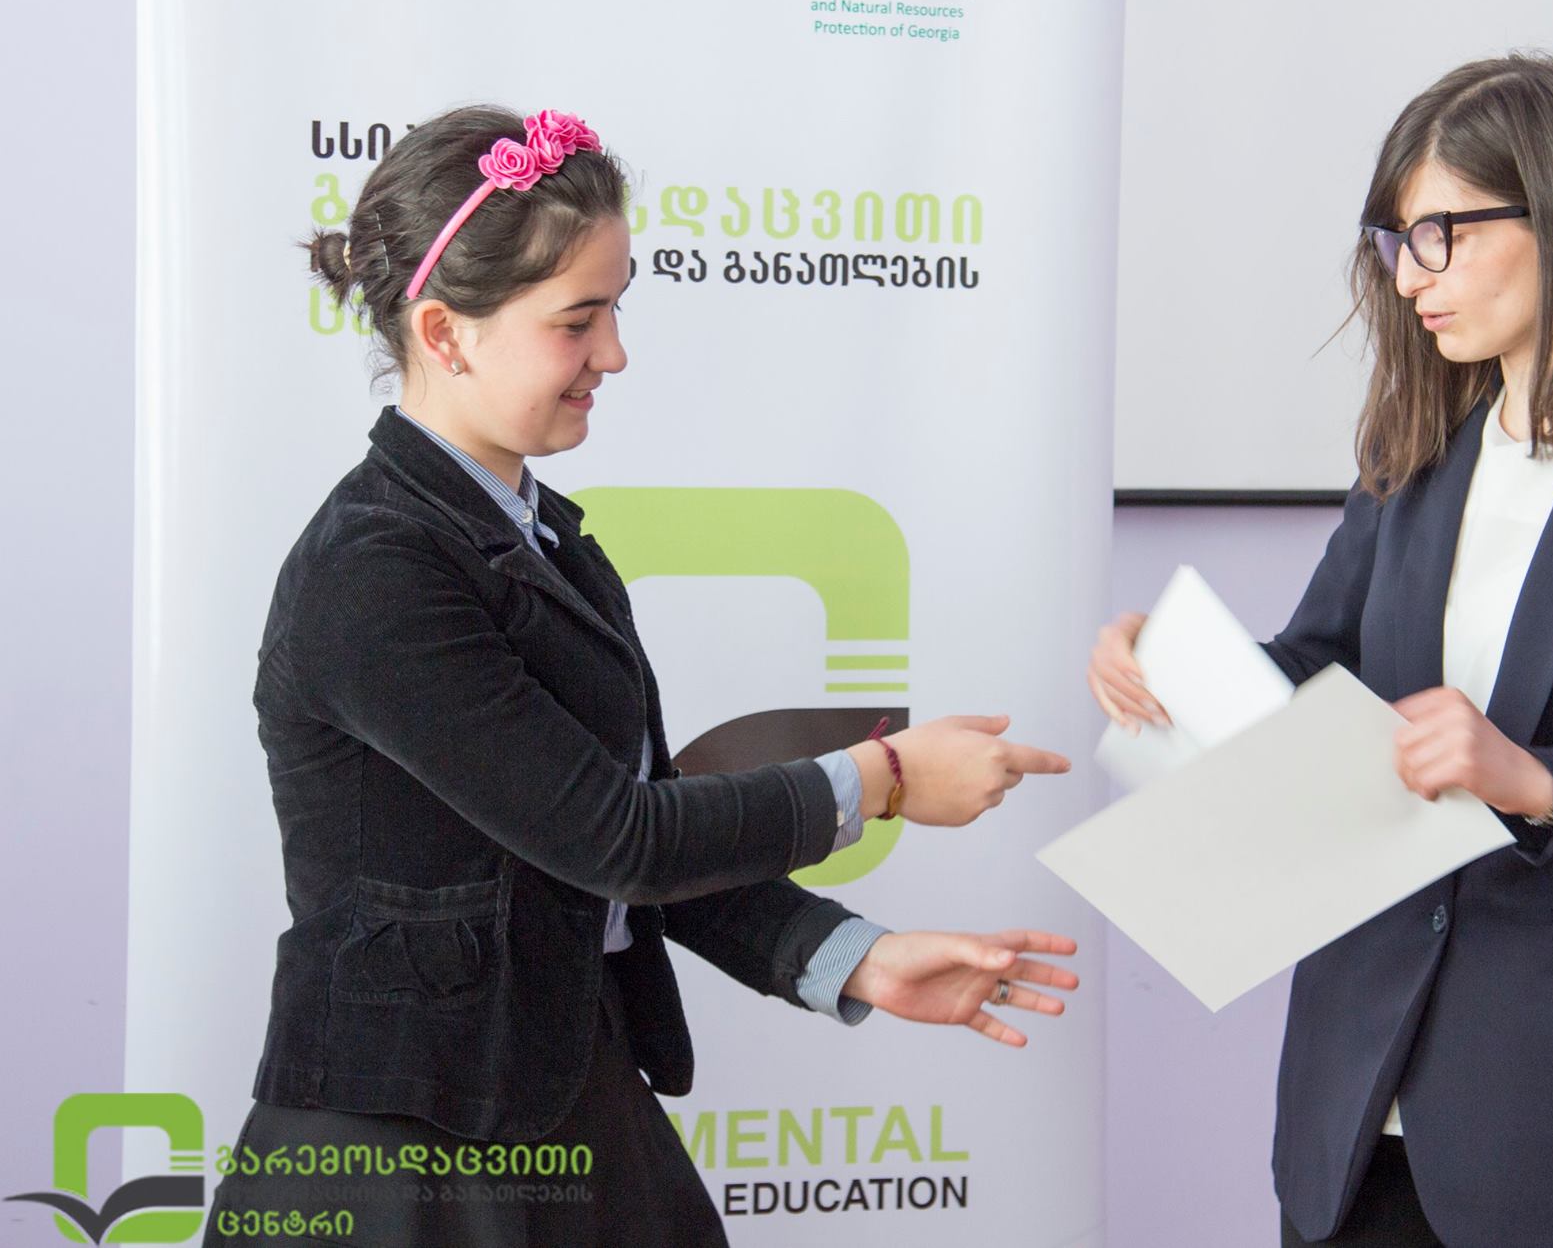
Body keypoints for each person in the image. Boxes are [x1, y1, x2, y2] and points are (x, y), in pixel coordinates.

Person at [205, 105, 1079, 1248]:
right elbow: (622, 840)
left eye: (616, 309)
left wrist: (855, 960)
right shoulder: (371, 571)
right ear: (445, 331)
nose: (612, 354)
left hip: (568, 1103)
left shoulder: (550, 542)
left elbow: (638, 843)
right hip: (402, 1156)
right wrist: (883, 777)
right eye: (577, 321)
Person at [1088, 54, 1553, 1248]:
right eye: (1396, 242)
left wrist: (1529, 778)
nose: (1411, 275)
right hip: (1353, 1094)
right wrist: (1175, 668)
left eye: (1442, 235)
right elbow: (1316, 673)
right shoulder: (1417, 437)